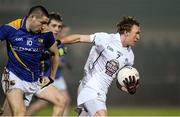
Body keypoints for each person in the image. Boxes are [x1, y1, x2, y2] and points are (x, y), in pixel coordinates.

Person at [61, 16, 141, 116]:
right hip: (90, 87)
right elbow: (79, 38)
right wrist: (57, 42)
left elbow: (118, 81)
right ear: (126, 32)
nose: (138, 37)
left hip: (101, 92)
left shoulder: (130, 56)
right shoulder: (106, 38)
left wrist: (127, 88)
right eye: (137, 33)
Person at [0, 6, 62, 116]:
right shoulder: (11, 28)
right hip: (13, 76)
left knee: (7, 115)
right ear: (32, 17)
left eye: (46, 23)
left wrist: (51, 77)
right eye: (42, 22)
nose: (44, 26)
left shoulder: (45, 33)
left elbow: (55, 53)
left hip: (32, 82)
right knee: (21, 113)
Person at [26, 13, 71, 116]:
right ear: (45, 25)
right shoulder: (35, 38)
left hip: (39, 80)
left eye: (59, 27)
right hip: (22, 79)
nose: (57, 29)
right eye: (54, 26)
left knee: (62, 100)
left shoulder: (54, 43)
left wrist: (51, 77)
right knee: (13, 113)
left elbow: (53, 58)